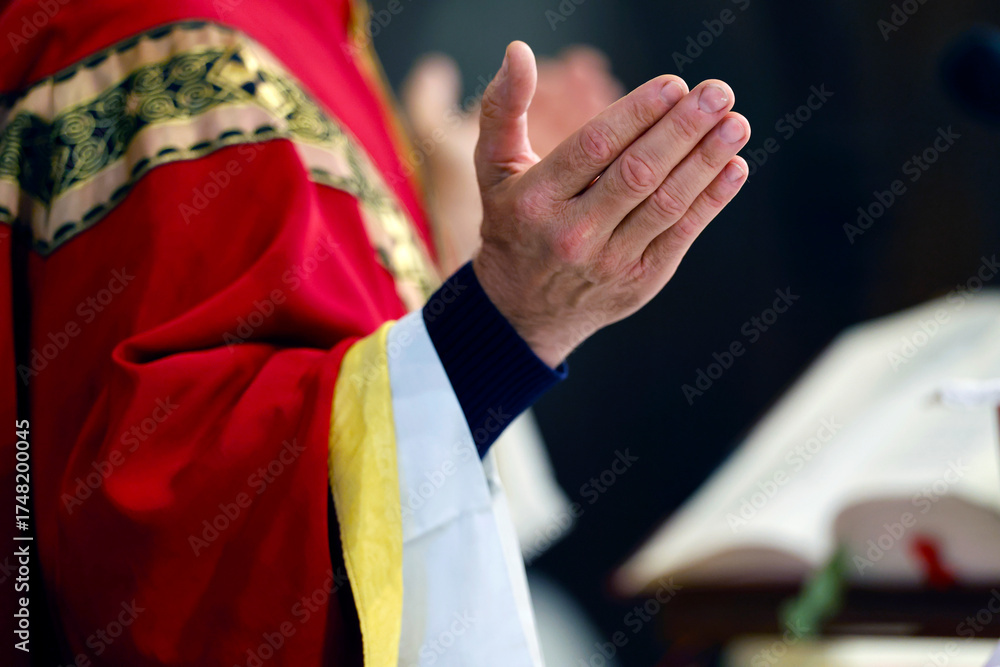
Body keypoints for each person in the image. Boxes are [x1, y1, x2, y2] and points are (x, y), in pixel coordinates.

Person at [0, 0, 751, 664]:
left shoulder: (319, 26)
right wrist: (505, 319)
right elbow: (159, 530)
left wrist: (451, 254)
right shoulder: (161, 27)